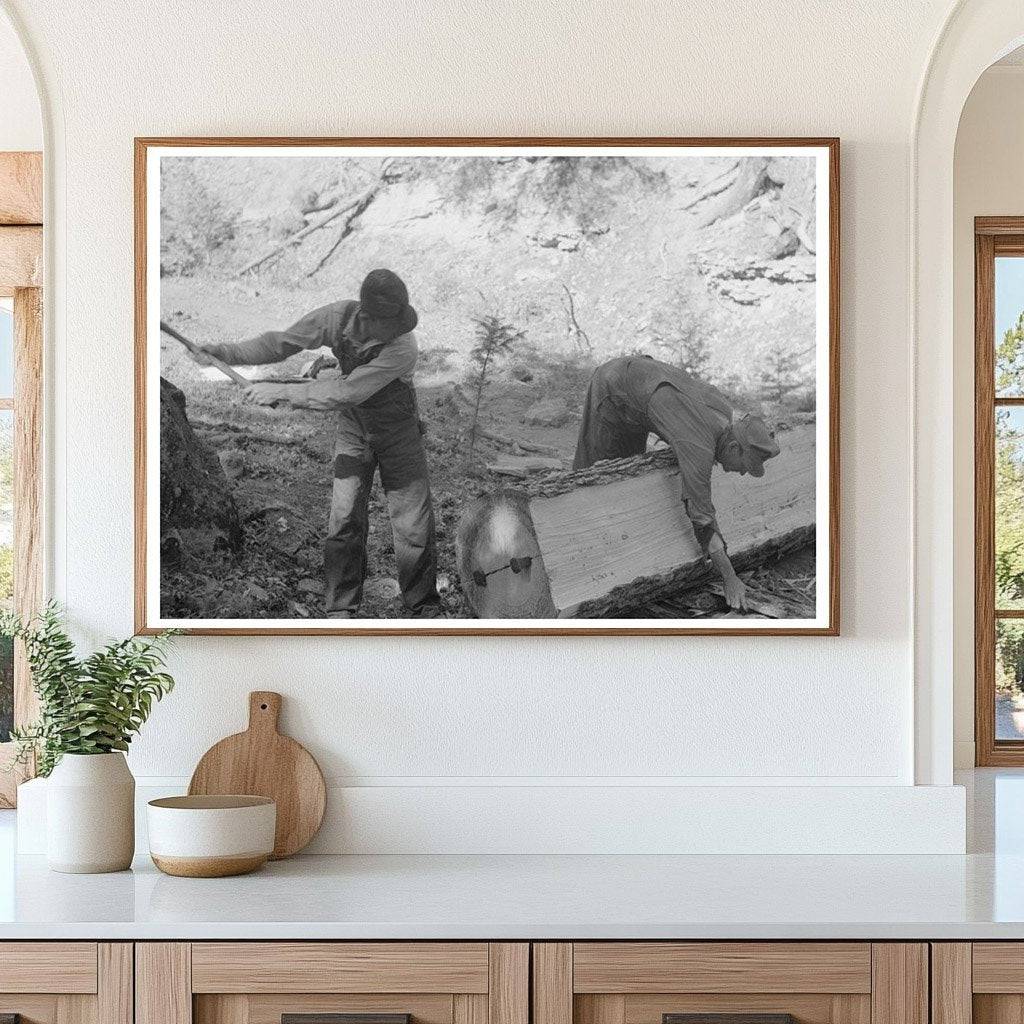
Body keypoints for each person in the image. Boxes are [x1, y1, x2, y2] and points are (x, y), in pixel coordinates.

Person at [190, 269, 441, 619]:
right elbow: (281, 343)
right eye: (392, 322)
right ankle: (341, 607)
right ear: (367, 318)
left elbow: (346, 391)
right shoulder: (336, 318)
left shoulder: (402, 347)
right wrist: (223, 353)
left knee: (413, 521)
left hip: (398, 431)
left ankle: (423, 607)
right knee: (345, 516)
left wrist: (281, 393)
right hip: (354, 427)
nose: (400, 328)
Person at [573, 355, 781, 611]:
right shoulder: (699, 445)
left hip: (640, 385)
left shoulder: (724, 414)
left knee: (627, 486)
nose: (741, 473)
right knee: (593, 485)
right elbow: (702, 518)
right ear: (734, 447)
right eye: (745, 467)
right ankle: (577, 562)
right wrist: (730, 577)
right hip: (613, 388)